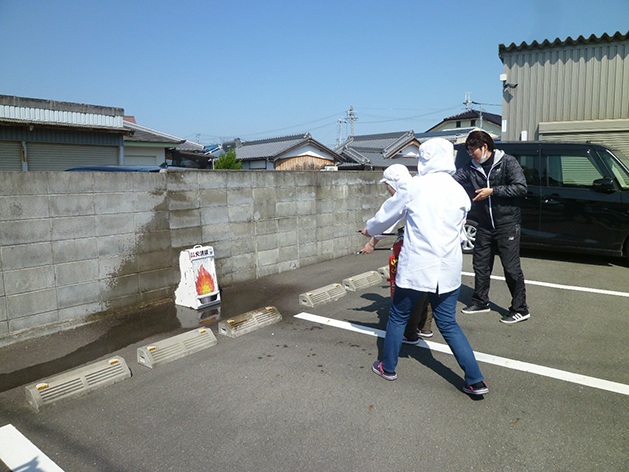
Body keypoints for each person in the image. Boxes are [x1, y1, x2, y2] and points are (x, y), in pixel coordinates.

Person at [362, 138, 488, 395]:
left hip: (418, 265)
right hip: (448, 267)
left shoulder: (415, 186)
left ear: (426, 158)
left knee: (398, 315)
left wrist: (369, 229)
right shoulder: (459, 190)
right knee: (448, 323)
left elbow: (386, 216)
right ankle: (475, 380)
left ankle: (388, 366)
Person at [453, 130, 530, 324]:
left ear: (484, 147)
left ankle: (520, 308)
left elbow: (521, 187)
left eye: (473, 150)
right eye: (468, 150)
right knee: (480, 264)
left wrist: (493, 191)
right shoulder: (470, 167)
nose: (470, 154)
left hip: (507, 223)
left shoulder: (507, 162)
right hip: (485, 224)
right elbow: (452, 180)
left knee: (511, 268)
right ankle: (480, 302)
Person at [359, 164, 434, 342]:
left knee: (412, 290)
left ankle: (409, 332)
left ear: (393, 182)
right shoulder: (425, 187)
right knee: (427, 289)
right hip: (435, 249)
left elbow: (385, 221)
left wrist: (370, 238)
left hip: (417, 250)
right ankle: (424, 327)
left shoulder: (405, 192)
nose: (388, 190)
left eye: (387, 186)